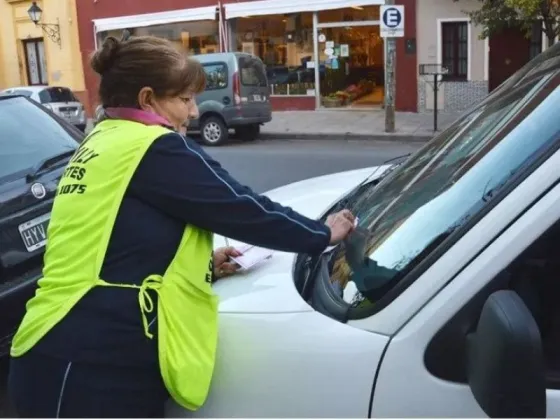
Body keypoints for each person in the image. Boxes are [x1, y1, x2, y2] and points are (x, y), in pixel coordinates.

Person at [8, 33, 356, 418]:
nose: (193, 112)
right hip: (90, 365)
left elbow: (115, 244)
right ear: (147, 100)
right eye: (184, 99)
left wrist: (203, 267)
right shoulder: (154, 146)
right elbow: (241, 207)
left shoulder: (103, 139)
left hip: (66, 350)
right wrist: (321, 234)